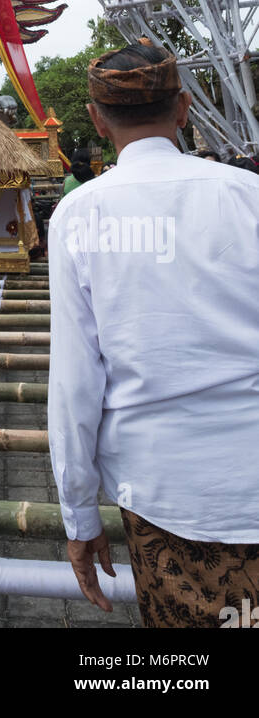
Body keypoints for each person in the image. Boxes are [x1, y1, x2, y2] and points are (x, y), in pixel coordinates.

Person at [47, 37, 259, 628]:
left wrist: (79, 519)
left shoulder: (79, 215)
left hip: (161, 497)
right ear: (185, 107)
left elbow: (74, 386)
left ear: (95, 117)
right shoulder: (250, 197)